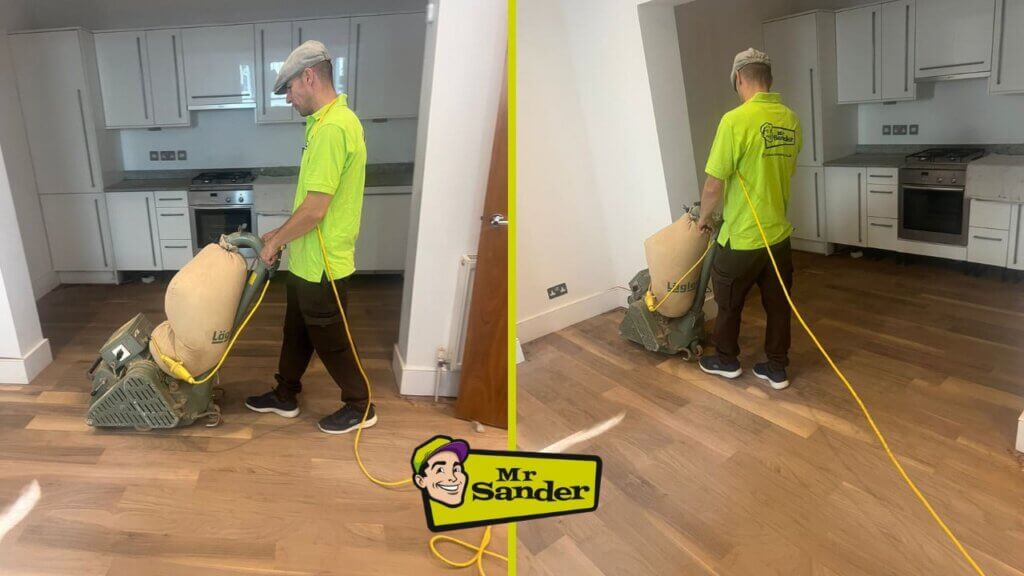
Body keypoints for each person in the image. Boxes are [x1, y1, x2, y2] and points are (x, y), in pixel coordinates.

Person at [244, 40, 375, 434]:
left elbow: (317, 210)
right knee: (296, 332)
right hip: (307, 258)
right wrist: (282, 233)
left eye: (288, 88)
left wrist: (275, 241)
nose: (288, 98)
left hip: (323, 263)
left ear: (309, 76)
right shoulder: (323, 123)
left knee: (331, 340)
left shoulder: (334, 127)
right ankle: (285, 394)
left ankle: (360, 404)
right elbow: (312, 202)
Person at [695, 47, 801, 390]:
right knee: (778, 307)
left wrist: (704, 218)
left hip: (741, 238)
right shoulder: (791, 119)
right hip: (778, 238)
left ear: (739, 78)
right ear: (768, 79)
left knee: (727, 304)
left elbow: (714, 184)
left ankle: (726, 361)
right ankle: (777, 367)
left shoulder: (734, 120)